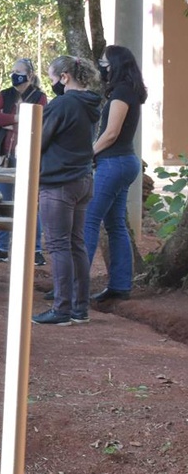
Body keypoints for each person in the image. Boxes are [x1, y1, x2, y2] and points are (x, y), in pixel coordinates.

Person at [32, 56, 102, 326]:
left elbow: (38, 139)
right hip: (82, 179)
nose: (51, 85)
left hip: (58, 183)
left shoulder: (63, 104)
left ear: (64, 77)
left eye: (51, 79)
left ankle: (61, 309)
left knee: (58, 245)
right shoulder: (91, 104)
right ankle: (79, 308)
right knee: (76, 244)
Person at [83, 45, 146, 303]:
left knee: (88, 218)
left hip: (115, 163)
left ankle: (73, 286)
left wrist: (88, 154)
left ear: (116, 65)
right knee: (115, 224)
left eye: (104, 62)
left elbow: (111, 133)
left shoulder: (122, 93)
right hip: (122, 163)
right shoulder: (128, 91)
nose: (102, 66)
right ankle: (120, 286)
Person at [0, 58, 47, 266]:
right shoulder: (5, 94)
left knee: (31, 203)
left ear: (29, 75)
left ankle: (35, 250)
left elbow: (39, 122)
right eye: (12, 71)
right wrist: (19, 119)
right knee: (2, 200)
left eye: (19, 71)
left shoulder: (39, 96)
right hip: (4, 156)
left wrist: (10, 121)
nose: (14, 75)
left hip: (29, 155)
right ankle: (2, 248)